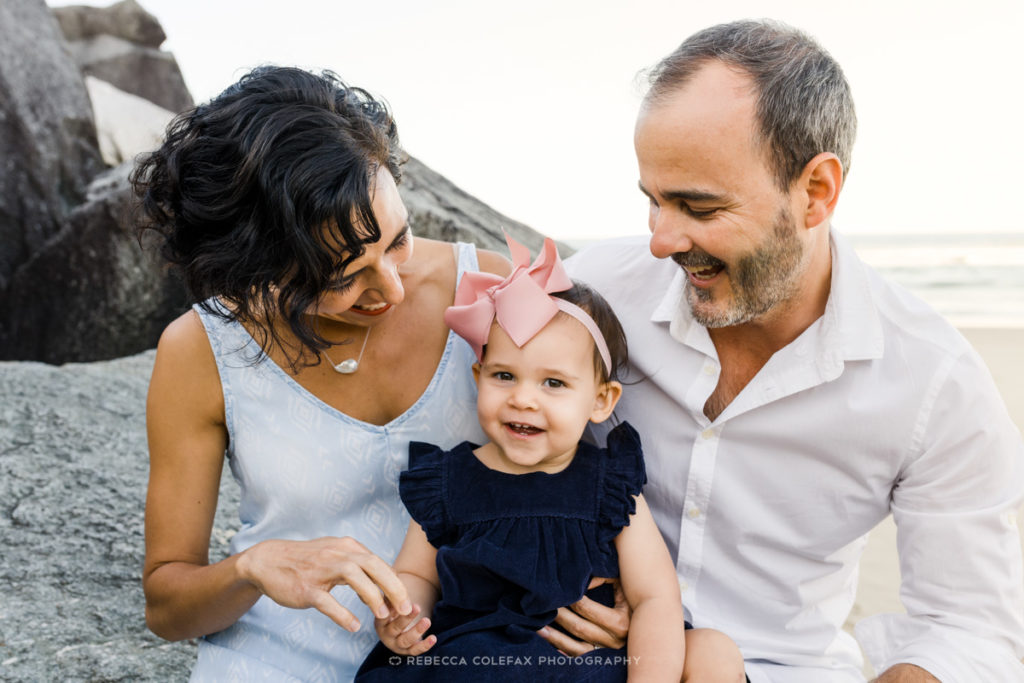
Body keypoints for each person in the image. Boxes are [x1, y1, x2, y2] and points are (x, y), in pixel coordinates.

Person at [564, 19, 1024, 683]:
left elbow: (971, 627)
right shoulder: (596, 296)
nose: (662, 239)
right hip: (583, 655)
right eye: (654, 201)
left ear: (816, 192)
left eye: (698, 206)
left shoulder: (934, 382)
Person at [132, 65, 510, 680]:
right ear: (249, 270)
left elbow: (595, 466)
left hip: (477, 649)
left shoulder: (489, 290)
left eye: (396, 240)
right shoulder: (201, 349)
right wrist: (254, 567)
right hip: (277, 660)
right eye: (342, 277)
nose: (389, 287)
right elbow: (168, 607)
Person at [355, 235, 745, 682]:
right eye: (504, 376)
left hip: (591, 663)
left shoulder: (609, 488)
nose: (523, 399)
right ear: (478, 377)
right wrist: (405, 615)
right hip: (481, 660)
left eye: (553, 384)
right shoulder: (448, 481)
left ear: (600, 401)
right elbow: (415, 575)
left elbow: (655, 596)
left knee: (714, 651)